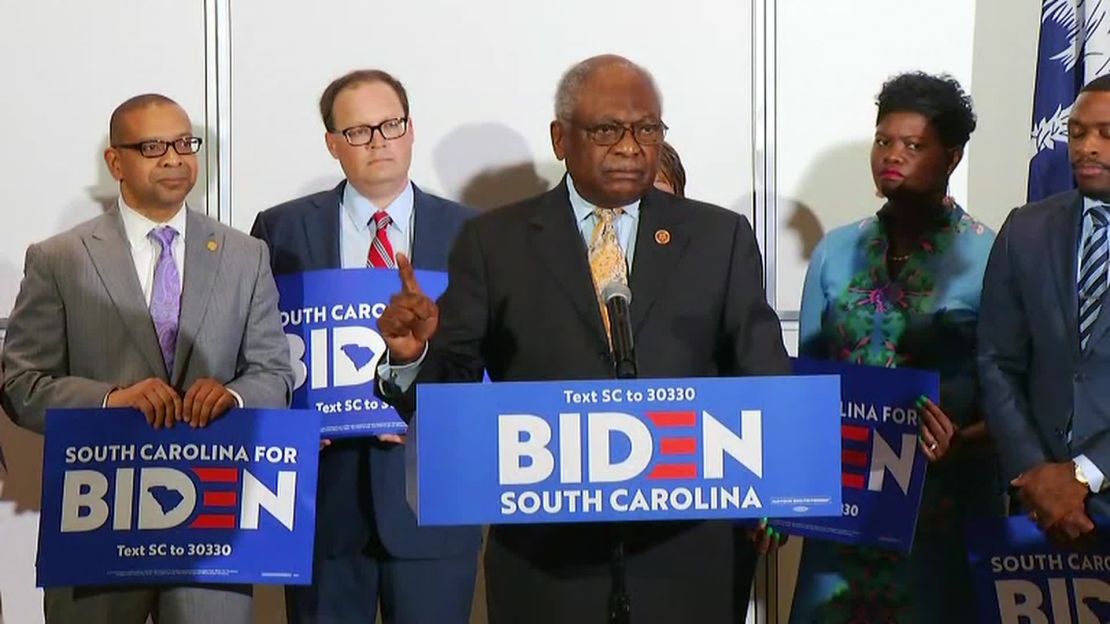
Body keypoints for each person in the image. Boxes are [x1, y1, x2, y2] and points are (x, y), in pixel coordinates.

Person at [374, 54, 789, 624]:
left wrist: (782, 484)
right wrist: (415, 355)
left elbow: (763, 375)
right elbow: (450, 395)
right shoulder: (496, 242)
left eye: (647, 129)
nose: (630, 146)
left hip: (689, 561)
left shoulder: (720, 237)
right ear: (560, 138)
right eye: (607, 130)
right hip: (547, 568)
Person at [0, 93, 293, 624]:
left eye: (185, 143)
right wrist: (111, 400)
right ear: (116, 162)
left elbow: (275, 375)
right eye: (153, 146)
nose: (175, 159)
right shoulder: (59, 258)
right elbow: (21, 386)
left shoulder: (245, 254)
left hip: (211, 524)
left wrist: (232, 395)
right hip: (95, 525)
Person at [250, 69, 481, 624]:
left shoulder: (472, 233)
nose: (378, 140)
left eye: (390, 124)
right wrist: (292, 423)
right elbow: (256, 348)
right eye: (358, 131)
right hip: (322, 504)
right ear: (333, 143)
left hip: (433, 495)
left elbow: (491, 358)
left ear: (410, 130)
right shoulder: (279, 231)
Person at [792, 72, 1002, 622]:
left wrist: (966, 440)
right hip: (843, 510)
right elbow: (805, 387)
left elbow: (1016, 389)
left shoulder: (991, 256)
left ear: (952, 156)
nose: (892, 156)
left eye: (914, 145)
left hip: (942, 510)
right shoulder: (836, 251)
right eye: (884, 140)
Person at [979, 74, 1110, 552]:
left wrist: (1085, 472)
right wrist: (1037, 475)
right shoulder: (1025, 229)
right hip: (1041, 510)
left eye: (1106, 134)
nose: (1087, 147)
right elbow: (997, 361)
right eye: (1076, 133)